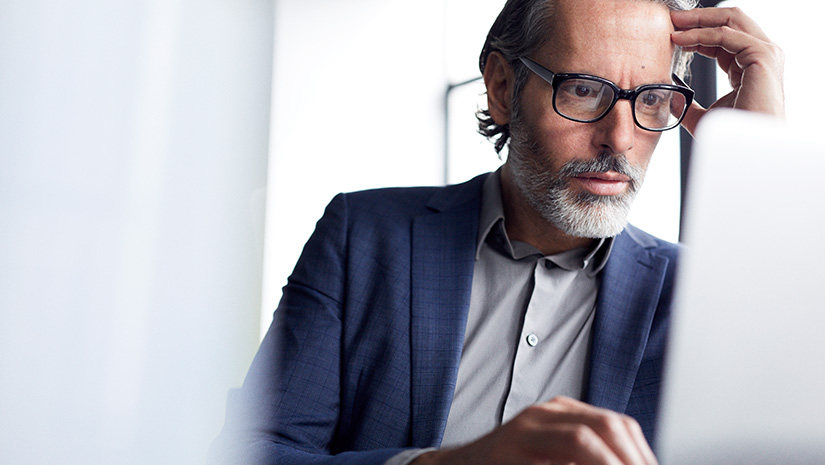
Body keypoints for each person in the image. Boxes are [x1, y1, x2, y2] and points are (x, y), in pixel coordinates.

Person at [210, 0, 784, 464]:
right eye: (584, 90)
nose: (620, 138)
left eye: (652, 100)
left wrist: (761, 174)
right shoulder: (362, 238)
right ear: (503, 88)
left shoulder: (710, 294)